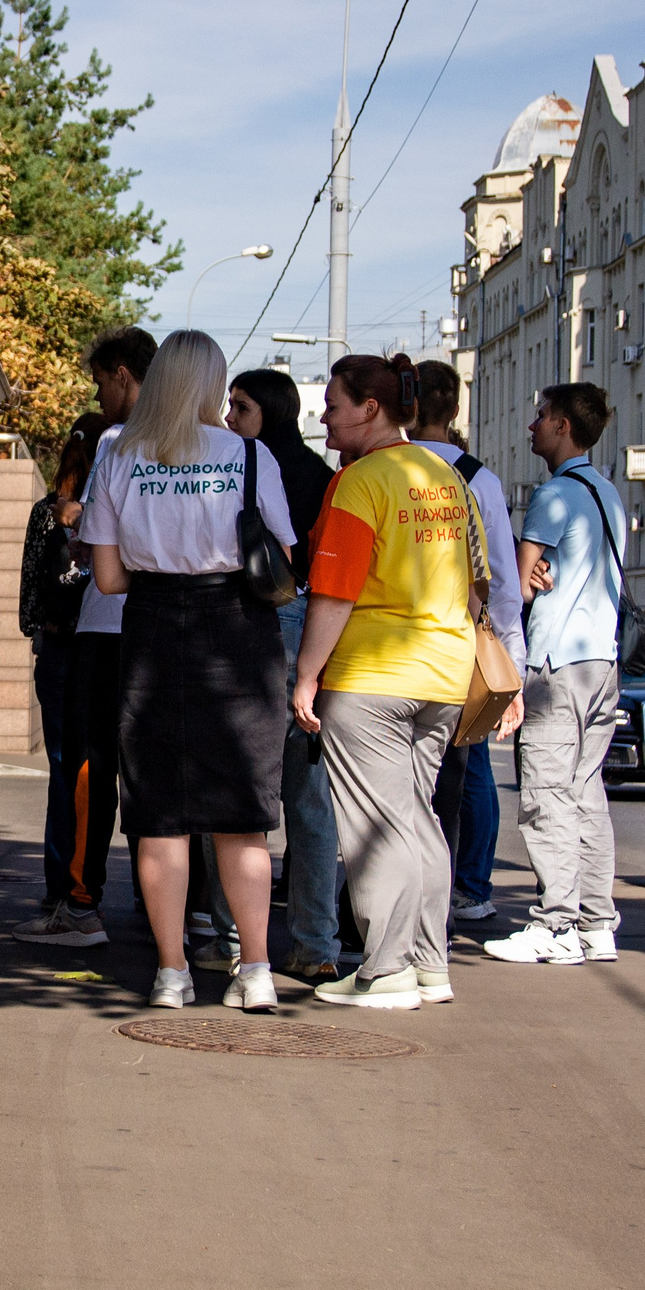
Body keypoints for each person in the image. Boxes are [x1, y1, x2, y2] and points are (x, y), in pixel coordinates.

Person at [80, 331, 297, 1011]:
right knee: (243, 817)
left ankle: (171, 972)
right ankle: (256, 970)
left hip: (150, 631)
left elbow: (108, 576)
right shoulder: (251, 455)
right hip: (238, 634)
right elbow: (284, 556)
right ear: (211, 384)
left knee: (160, 815)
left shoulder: (118, 456)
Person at [292, 352, 479, 1012]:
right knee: (417, 821)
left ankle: (386, 968)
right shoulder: (443, 474)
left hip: (374, 672)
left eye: (335, 405)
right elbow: (473, 580)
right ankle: (428, 964)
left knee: (376, 828)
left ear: (370, 408)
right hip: (445, 672)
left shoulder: (359, 482)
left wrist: (307, 676)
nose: (325, 415)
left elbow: (333, 593)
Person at [14, 330, 158, 949]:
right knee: (159, 774)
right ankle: (185, 914)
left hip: (106, 625)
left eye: (101, 382)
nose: (99, 395)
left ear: (123, 375)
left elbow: (94, 544)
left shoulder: (117, 443)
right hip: (172, 631)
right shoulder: (221, 449)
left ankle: (79, 904)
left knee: (89, 768)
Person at [484, 383, 629, 966]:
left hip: (555, 664)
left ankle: (555, 925)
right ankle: (596, 923)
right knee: (586, 792)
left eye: (541, 416)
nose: (532, 426)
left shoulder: (554, 496)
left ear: (564, 425)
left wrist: (531, 574)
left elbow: (516, 585)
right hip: (601, 658)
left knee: (546, 792)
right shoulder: (607, 493)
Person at [223, 366, 342, 982]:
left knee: (240, 788)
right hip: (314, 629)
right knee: (309, 796)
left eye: (240, 407)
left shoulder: (243, 467)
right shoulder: (325, 478)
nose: (229, 419)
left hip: (260, 624)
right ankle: (317, 941)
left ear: (266, 411)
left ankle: (230, 938)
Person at [412, 360, 524, 926]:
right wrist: (513, 665)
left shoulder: (380, 467)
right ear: (454, 411)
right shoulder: (479, 478)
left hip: (384, 648)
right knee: (466, 770)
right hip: (459, 646)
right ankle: (468, 886)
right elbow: (503, 581)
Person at [19, 415, 105, 925]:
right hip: (99, 646)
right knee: (100, 770)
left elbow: (31, 588)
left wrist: (37, 633)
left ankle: (58, 882)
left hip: (56, 648)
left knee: (60, 767)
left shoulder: (42, 512)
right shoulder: (105, 511)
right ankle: (92, 883)